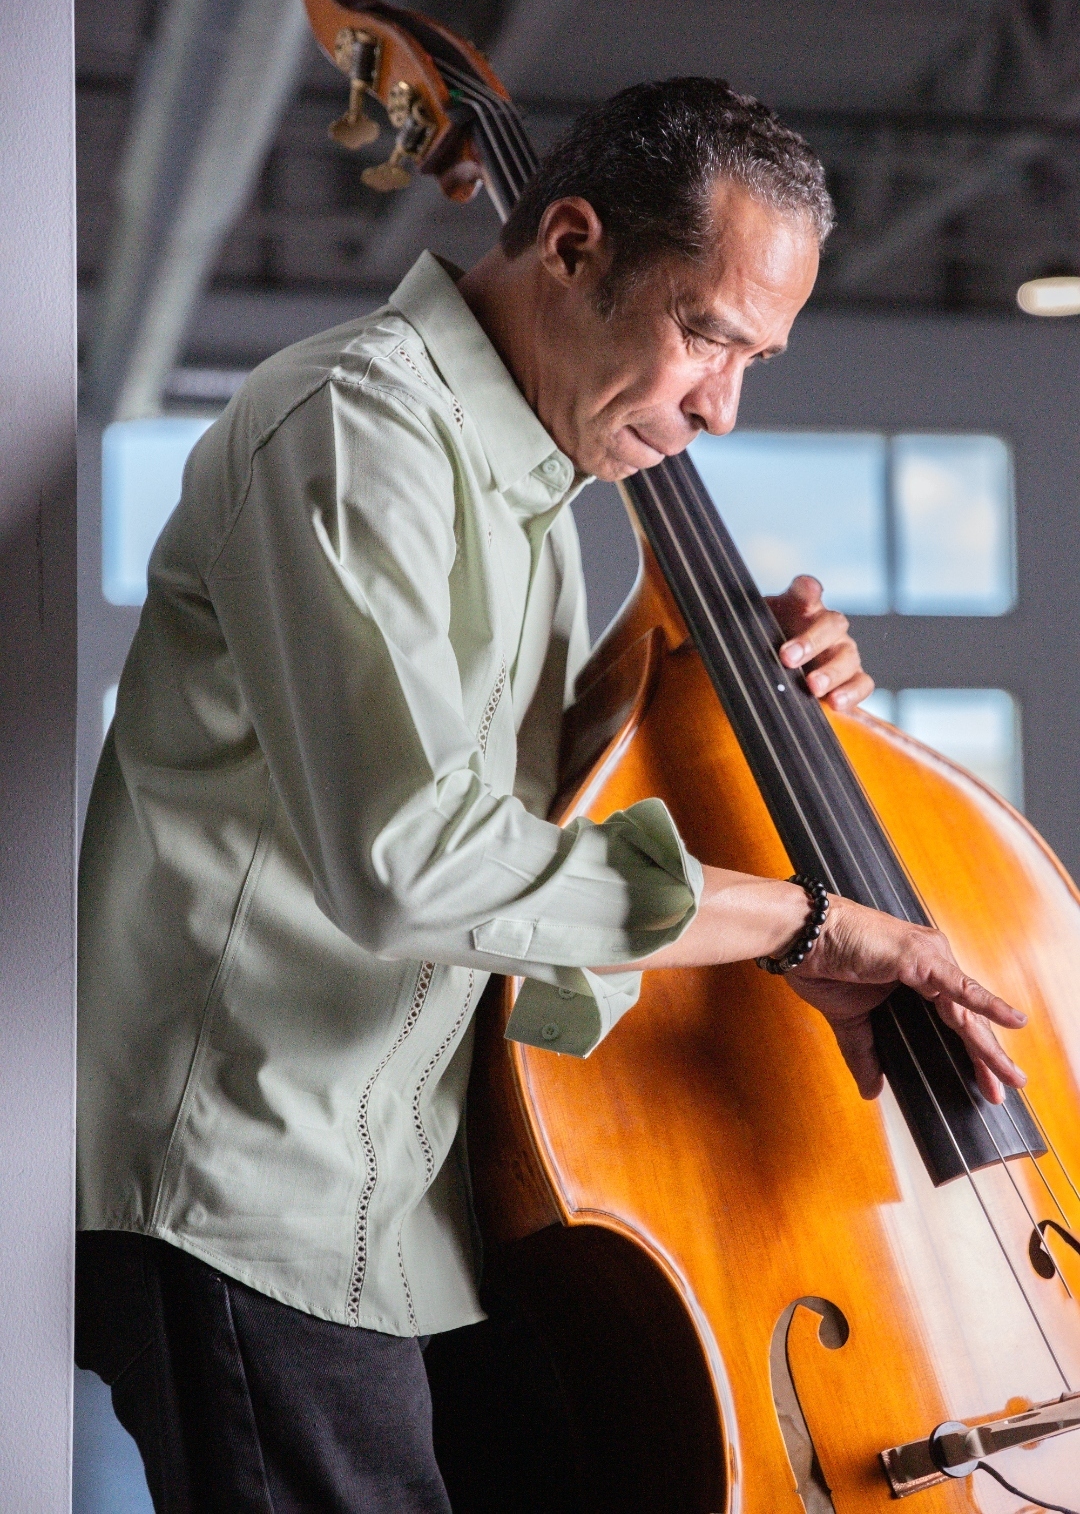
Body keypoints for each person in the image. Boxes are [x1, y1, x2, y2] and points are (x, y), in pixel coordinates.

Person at [75, 78, 1026, 1513]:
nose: (721, 405)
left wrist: (701, 672)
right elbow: (412, 863)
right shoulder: (359, 428)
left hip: (416, 1201)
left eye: (756, 358)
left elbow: (527, 802)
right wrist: (811, 925)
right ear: (571, 244)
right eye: (707, 333)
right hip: (254, 1197)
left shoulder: (529, 492)